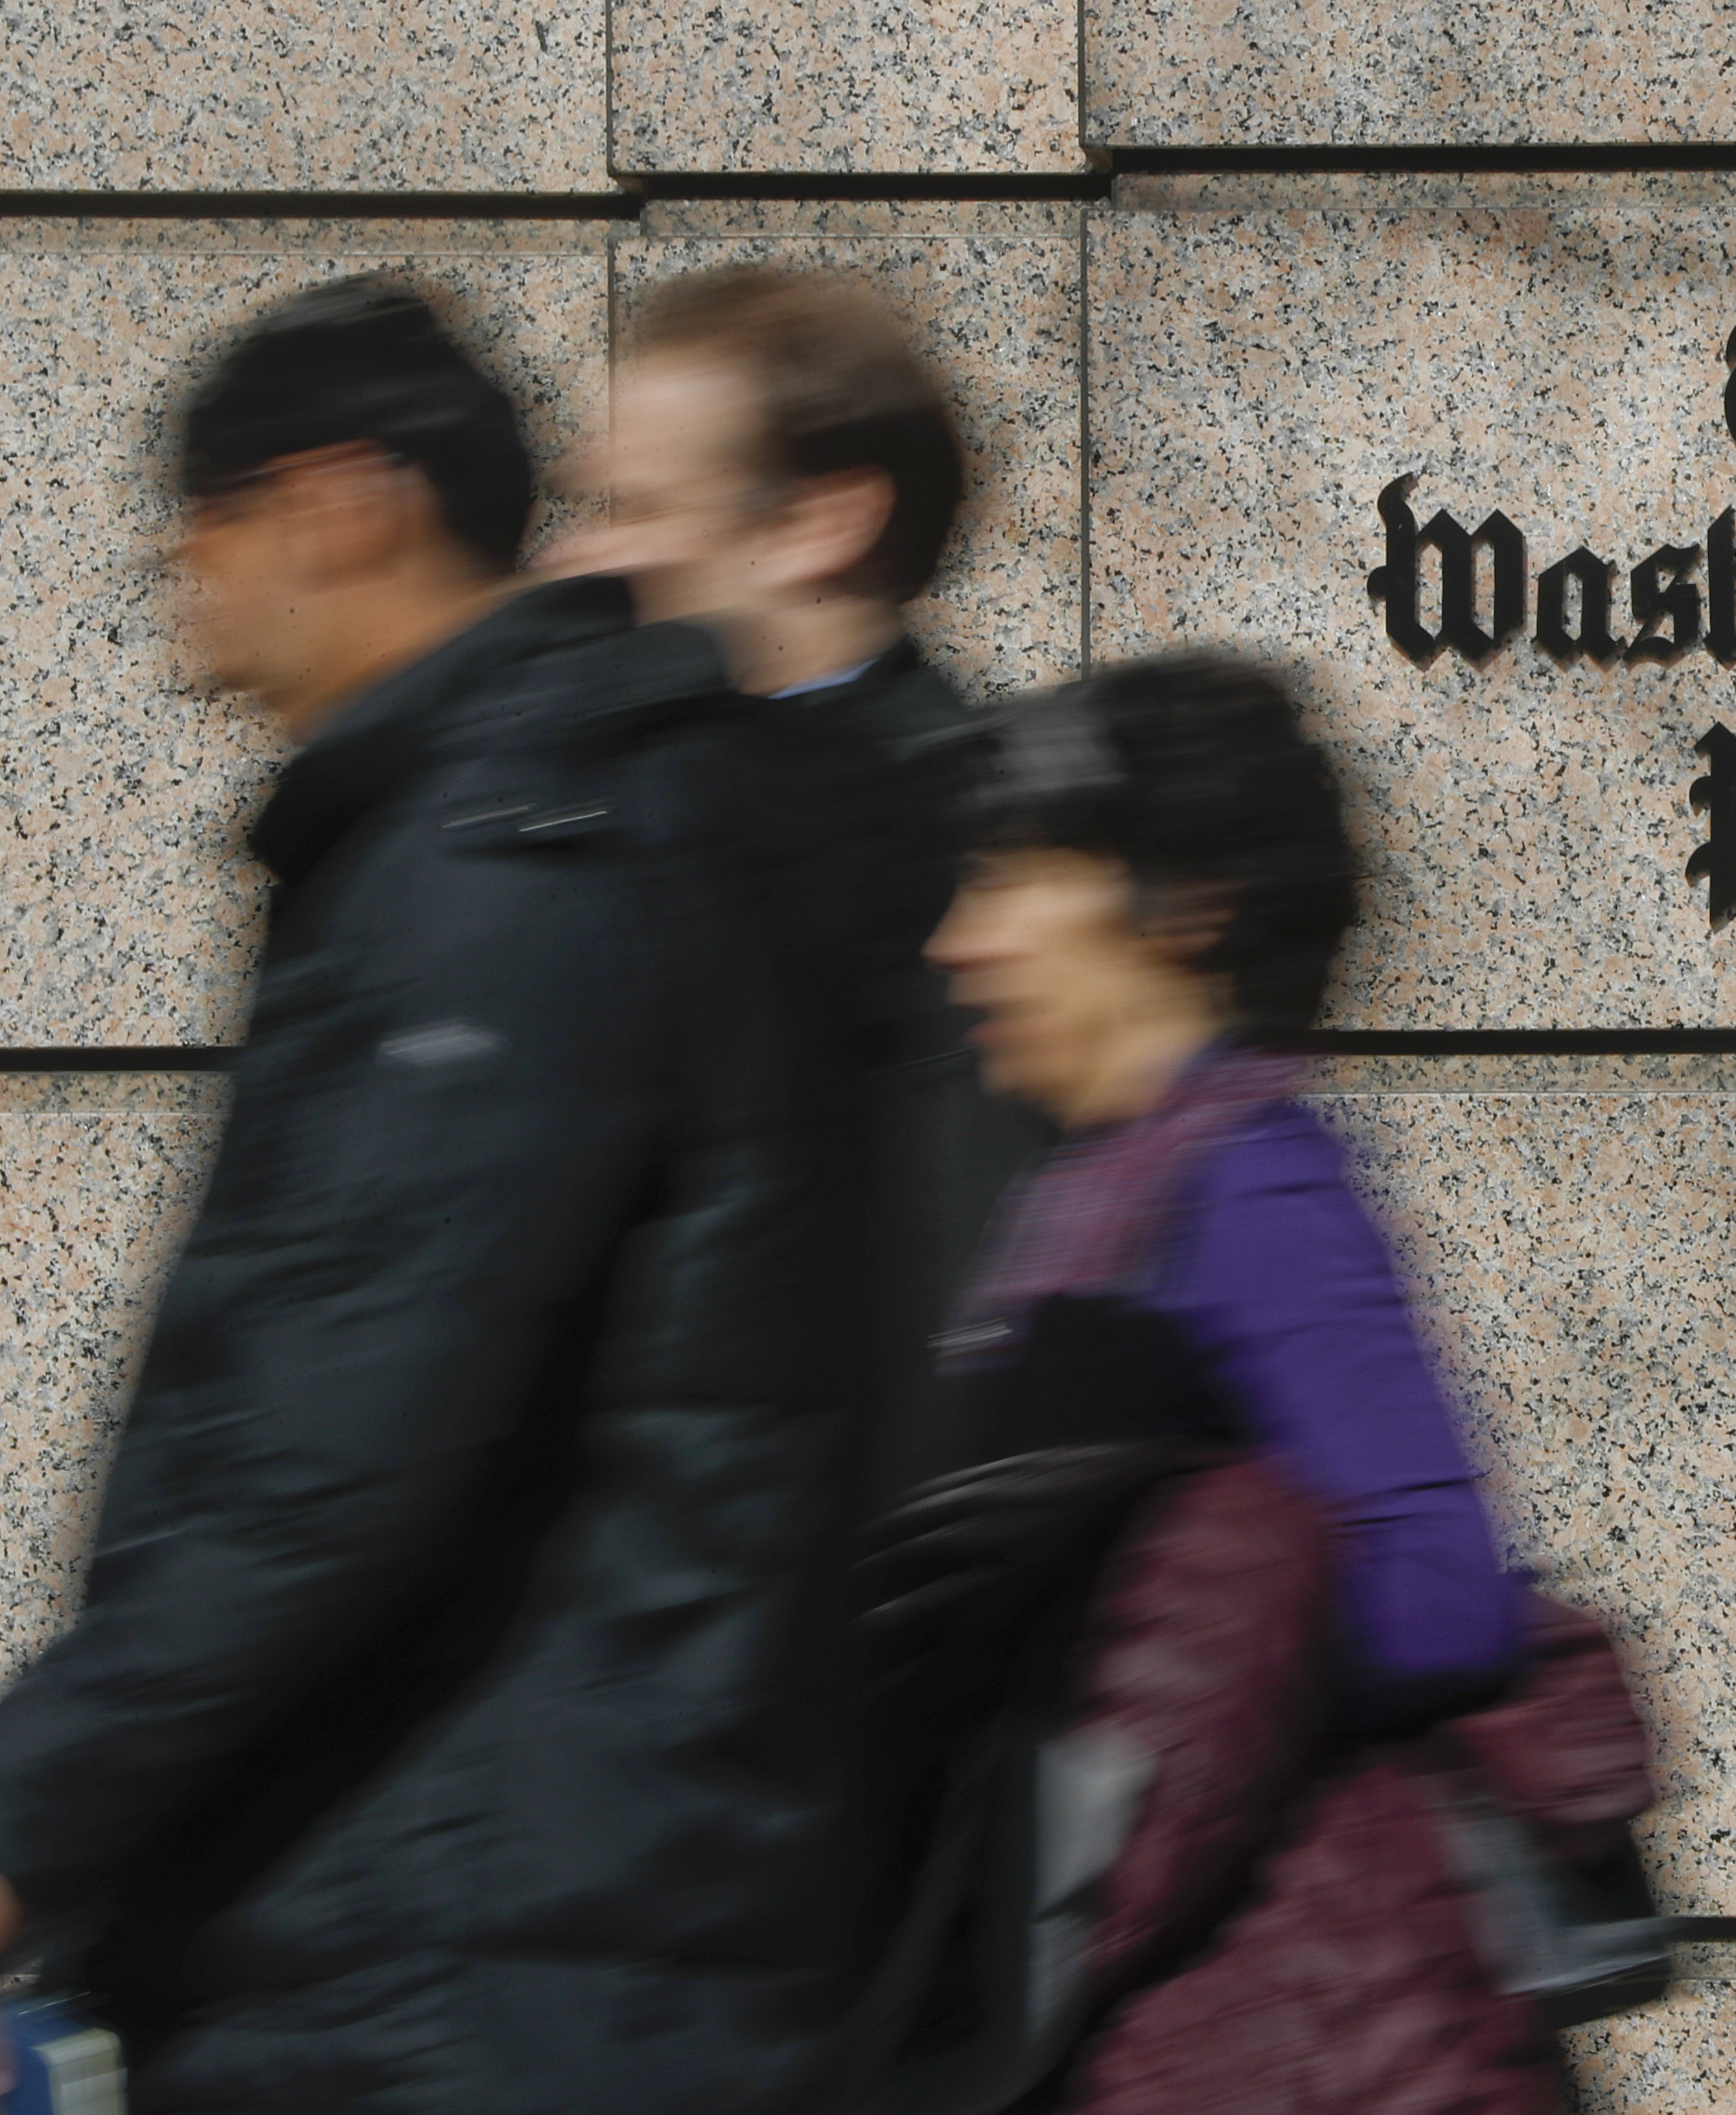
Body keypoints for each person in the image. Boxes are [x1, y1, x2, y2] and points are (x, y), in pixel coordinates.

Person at [0, 277, 883, 2110]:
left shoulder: (509, 859)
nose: (181, 611)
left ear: (340, 502)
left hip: (454, 1964)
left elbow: (334, 1439)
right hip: (490, 1937)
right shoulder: (513, 823)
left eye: (199, 540)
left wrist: (35, 1808)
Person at [891, 651, 1601, 2112]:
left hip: (1279, 2019)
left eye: (1016, 880)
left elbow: (1440, 1579)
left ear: (1186, 907)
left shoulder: (1252, 1182)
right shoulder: (1092, 1184)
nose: (960, 942)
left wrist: (1165, 1712)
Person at [549, 264, 1041, 1499]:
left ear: (818, 523)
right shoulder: (663, 800)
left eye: (640, 509)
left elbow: (947, 1321)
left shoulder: (963, 845)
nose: (576, 561)